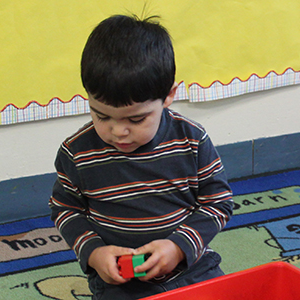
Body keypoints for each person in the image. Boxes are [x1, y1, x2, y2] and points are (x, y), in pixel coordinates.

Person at [49, 14, 233, 299]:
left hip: (191, 266)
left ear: (169, 95)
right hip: (119, 280)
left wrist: (178, 246)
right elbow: (65, 209)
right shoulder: (77, 152)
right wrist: (95, 253)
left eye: (136, 119)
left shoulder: (192, 139)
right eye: (102, 115)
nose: (118, 131)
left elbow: (218, 201)